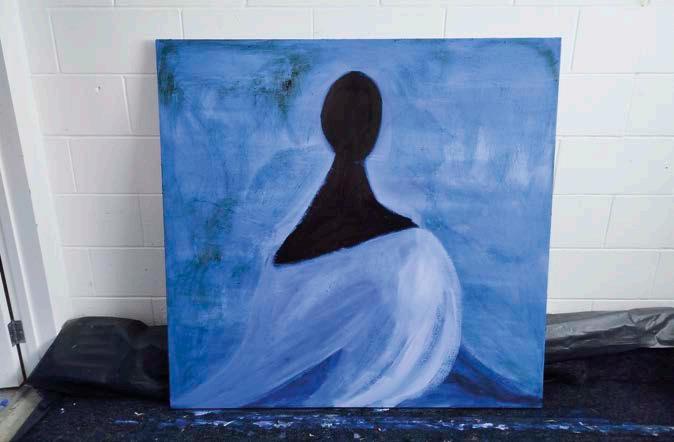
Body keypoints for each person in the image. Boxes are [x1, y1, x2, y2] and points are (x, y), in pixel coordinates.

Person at [179, 71, 462, 408]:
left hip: (285, 395)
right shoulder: (415, 250)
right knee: (425, 253)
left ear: (326, 127)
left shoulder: (287, 252)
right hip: (352, 395)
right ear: (375, 132)